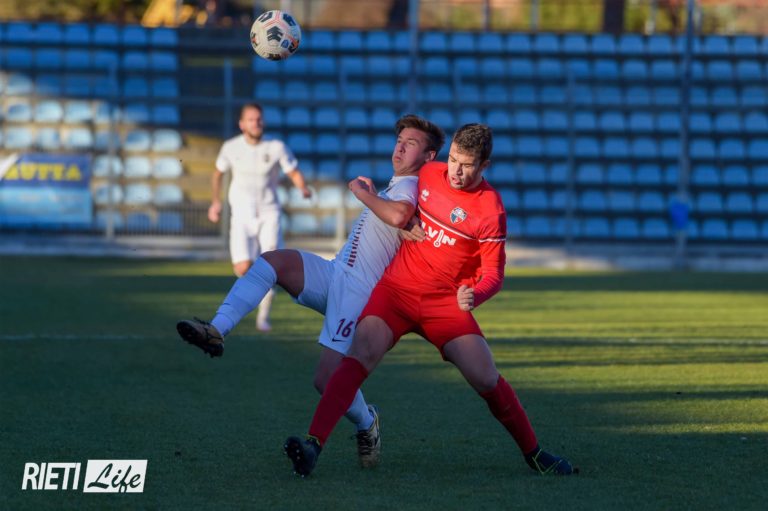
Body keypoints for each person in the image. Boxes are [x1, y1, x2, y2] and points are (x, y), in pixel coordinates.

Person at [284, 124, 578, 477]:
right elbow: (400, 205)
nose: (455, 171)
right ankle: (313, 445)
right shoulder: (427, 174)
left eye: (466, 165)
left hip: (445, 304)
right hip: (396, 290)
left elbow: (494, 275)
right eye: (453, 159)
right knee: (361, 351)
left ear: (484, 165)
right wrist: (396, 215)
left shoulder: (491, 210)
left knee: (486, 378)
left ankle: (535, 454)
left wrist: (476, 293)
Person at [177, 114, 446, 468]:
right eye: (399, 141)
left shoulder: (412, 188)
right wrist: (372, 195)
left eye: (411, 144)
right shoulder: (397, 185)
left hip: (358, 294)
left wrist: (361, 193)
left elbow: (399, 216)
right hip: (336, 273)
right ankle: (217, 330)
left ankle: (367, 422)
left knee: (325, 380)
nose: (399, 148)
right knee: (272, 262)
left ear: (428, 156)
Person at [209, 102, 312, 331]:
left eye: (259, 119)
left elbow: (293, 171)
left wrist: (303, 188)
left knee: (270, 265)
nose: (256, 123)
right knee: (243, 268)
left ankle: (263, 317)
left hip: (269, 212)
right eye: (251, 120)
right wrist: (215, 202)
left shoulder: (276, 147)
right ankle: (248, 302)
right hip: (242, 214)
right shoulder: (230, 147)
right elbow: (217, 174)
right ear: (242, 124)